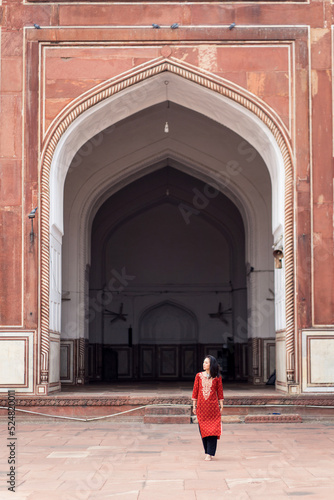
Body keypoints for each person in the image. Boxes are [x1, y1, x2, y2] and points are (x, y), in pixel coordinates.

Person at [192, 355, 224, 461]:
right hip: (201, 407)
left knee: (213, 430)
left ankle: (210, 453)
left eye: (206, 362)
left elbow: (219, 391)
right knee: (203, 429)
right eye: (203, 362)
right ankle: (207, 451)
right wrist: (194, 405)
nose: (203, 364)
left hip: (213, 408)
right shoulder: (198, 376)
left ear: (211, 364)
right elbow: (195, 391)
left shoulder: (217, 377)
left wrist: (221, 404)